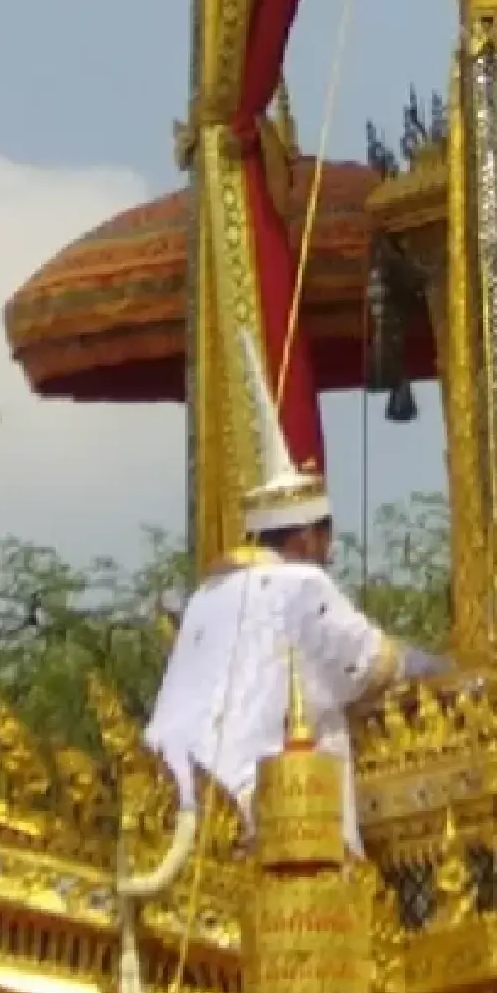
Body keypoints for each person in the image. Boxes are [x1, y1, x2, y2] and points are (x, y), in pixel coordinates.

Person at [144, 330, 442, 851]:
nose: (330, 552)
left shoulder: (208, 593)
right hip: (242, 807)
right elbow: (375, 662)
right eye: (326, 536)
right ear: (306, 534)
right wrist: (452, 670)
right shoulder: (301, 586)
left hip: (163, 791)